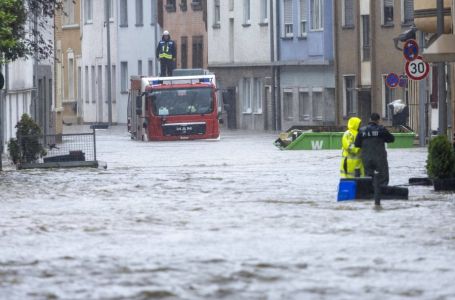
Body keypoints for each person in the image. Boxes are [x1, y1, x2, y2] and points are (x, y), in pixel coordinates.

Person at [354, 112, 395, 186]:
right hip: (379, 158)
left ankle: (370, 193)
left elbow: (356, 144)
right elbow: (391, 139)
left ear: (370, 119)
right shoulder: (381, 129)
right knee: (383, 177)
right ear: (378, 120)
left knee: (368, 177)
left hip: (366, 158)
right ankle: (381, 192)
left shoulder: (361, 130)